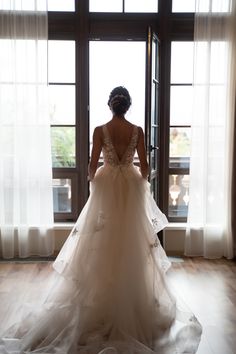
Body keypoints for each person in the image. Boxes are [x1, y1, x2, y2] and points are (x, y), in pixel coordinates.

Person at [0, 86, 202, 354]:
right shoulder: (137, 131)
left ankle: (99, 301)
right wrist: (133, 180)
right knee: (131, 244)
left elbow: (92, 167)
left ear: (110, 105)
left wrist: (99, 180)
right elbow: (145, 168)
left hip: (106, 188)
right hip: (129, 189)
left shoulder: (100, 130)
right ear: (127, 106)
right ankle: (131, 301)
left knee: (101, 243)